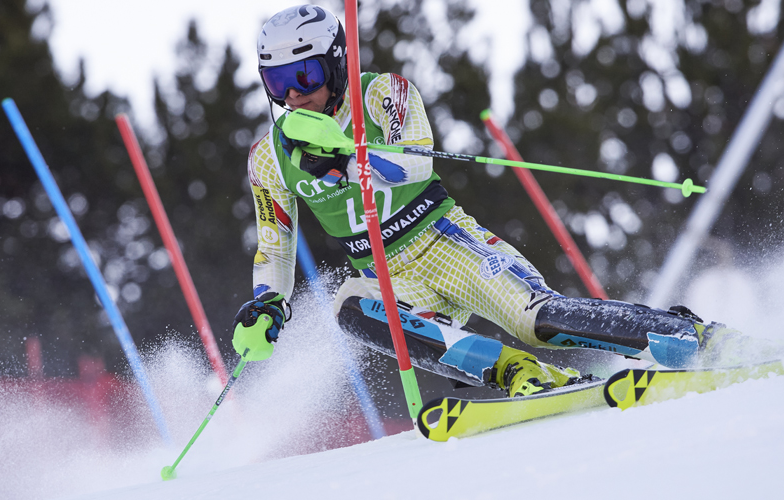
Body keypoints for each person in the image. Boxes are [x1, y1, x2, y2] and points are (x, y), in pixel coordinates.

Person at [233, 4, 741, 398]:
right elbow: (274, 248)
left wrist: (348, 157)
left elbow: (416, 162)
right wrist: (266, 303)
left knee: (538, 321)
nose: (294, 97)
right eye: (278, 83)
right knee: (350, 308)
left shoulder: (383, 94)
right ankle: (518, 372)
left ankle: (688, 335)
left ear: (337, 65)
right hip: (388, 270)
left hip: (443, 241)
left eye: (306, 77)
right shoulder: (268, 159)